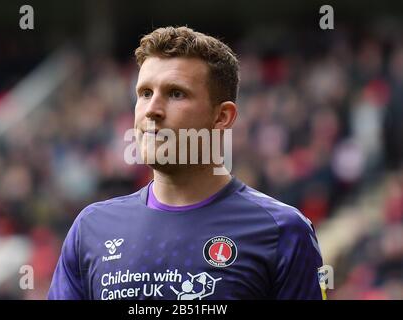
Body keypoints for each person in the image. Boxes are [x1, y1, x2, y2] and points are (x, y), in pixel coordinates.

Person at [48, 26, 324, 300]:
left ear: (222, 117)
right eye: (145, 93)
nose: (152, 110)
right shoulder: (92, 228)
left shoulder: (282, 231)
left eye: (175, 93)